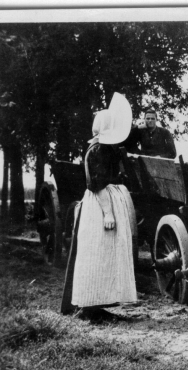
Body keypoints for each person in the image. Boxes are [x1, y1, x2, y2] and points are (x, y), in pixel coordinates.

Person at [61, 93, 137, 317]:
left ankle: (99, 304)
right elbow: (97, 185)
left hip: (107, 200)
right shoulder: (96, 151)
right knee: (96, 253)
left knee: (106, 254)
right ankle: (88, 306)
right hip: (100, 205)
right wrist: (108, 213)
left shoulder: (105, 149)